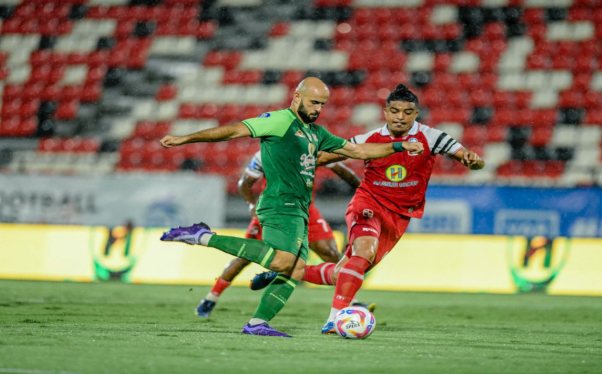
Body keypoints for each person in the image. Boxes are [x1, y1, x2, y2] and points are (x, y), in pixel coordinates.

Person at [158, 78, 424, 338]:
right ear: (297, 97)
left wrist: (399, 145)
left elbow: (359, 151)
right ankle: (202, 237)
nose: (318, 108)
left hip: (300, 208)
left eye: (322, 104)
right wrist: (185, 139)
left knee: (295, 269)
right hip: (278, 203)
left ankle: (257, 323)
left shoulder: (316, 133)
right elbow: (233, 130)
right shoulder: (279, 120)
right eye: (313, 102)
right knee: (282, 261)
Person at [251, 84, 484, 334]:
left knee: (345, 271)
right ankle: (335, 318)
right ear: (385, 112)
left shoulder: (433, 136)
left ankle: (288, 272)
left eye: (407, 112)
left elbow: (466, 156)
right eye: (394, 111)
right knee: (364, 252)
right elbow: (323, 157)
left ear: (416, 114)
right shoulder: (366, 139)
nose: (400, 117)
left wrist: (474, 160)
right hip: (368, 203)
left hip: (400, 215)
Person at [195, 150, 375, 317]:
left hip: (305, 211)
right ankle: (211, 298)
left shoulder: (312, 150)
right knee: (244, 258)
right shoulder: (266, 153)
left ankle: (352, 301)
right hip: (274, 211)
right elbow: (245, 182)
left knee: (330, 253)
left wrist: (365, 193)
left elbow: (342, 171)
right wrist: (252, 206)